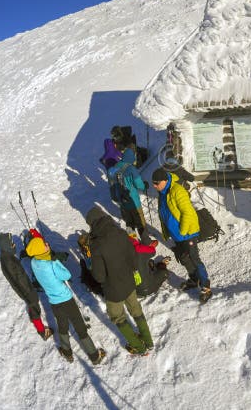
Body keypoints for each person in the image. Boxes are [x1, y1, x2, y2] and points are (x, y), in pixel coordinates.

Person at [25, 237, 105, 365]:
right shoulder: (51, 264)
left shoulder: (34, 262)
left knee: (62, 325)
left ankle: (67, 353)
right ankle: (94, 356)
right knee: (79, 326)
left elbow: (42, 260)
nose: (46, 243)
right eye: (44, 244)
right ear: (41, 250)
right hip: (66, 300)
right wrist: (55, 261)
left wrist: (47, 255)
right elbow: (67, 275)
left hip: (53, 301)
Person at [85, 206, 154, 355]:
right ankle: (148, 341)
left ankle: (139, 347)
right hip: (129, 283)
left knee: (118, 317)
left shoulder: (96, 245)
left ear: (92, 224)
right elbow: (134, 259)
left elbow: (99, 276)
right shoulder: (122, 233)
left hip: (113, 290)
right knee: (136, 310)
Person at [151, 168, 212, 303]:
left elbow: (188, 213)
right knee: (183, 258)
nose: (154, 186)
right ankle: (194, 279)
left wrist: (182, 232)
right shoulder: (162, 192)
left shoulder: (177, 191)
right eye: (153, 183)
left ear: (165, 181)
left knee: (194, 259)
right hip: (177, 235)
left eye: (156, 183)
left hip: (187, 233)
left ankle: (206, 287)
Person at [0, 233, 52, 341]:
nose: (14, 245)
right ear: (6, 246)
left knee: (33, 306)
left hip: (24, 288)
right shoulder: (9, 261)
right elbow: (19, 278)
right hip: (26, 289)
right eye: (11, 244)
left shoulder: (6, 257)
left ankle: (37, 322)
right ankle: (42, 331)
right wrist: (30, 292)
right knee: (34, 307)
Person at [108, 148, 153, 244]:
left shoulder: (116, 167)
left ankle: (133, 242)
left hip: (122, 201)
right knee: (140, 222)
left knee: (129, 223)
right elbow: (139, 184)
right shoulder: (131, 168)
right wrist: (145, 185)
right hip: (133, 201)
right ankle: (147, 242)